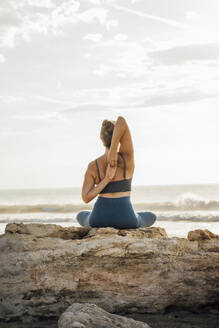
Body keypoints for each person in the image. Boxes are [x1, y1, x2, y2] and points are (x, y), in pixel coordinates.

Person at [76, 116, 157, 229]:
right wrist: (114, 149)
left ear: (101, 137)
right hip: (127, 219)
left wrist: (106, 180)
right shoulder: (127, 158)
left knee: (81, 215)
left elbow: (86, 198)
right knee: (151, 216)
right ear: (118, 136)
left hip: (99, 219)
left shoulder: (93, 166)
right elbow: (122, 120)